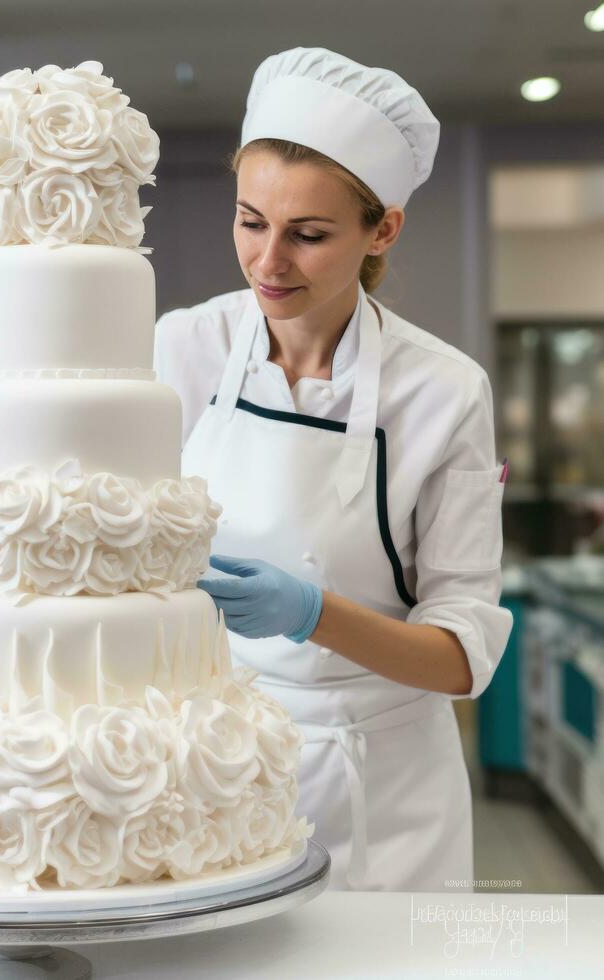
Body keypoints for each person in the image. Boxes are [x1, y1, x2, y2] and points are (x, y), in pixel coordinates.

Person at [154, 47, 513, 891]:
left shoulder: (443, 391)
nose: (268, 263)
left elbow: (461, 659)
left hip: (382, 790)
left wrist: (311, 613)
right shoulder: (183, 346)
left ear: (382, 229)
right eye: (250, 221)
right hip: (215, 762)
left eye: (309, 235)